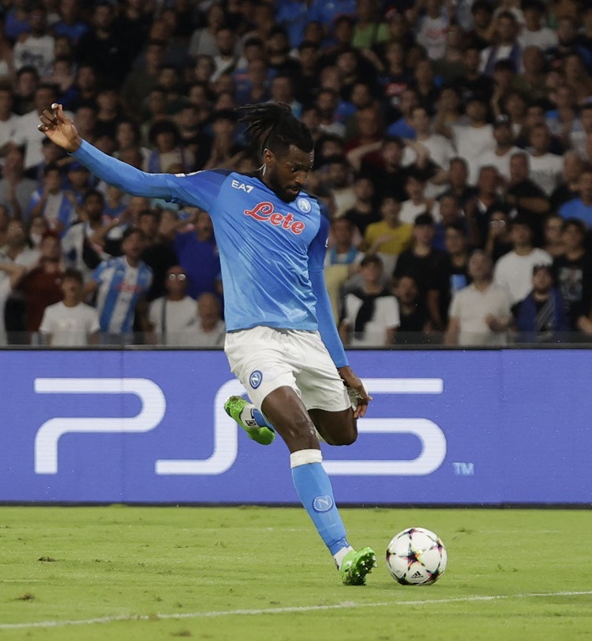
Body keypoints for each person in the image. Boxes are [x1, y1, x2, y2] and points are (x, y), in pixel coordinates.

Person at [39, 100, 376, 585]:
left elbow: (318, 291)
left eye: (309, 168)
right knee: (301, 436)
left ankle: (251, 411)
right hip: (253, 339)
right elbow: (144, 183)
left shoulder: (314, 215)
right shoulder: (224, 188)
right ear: (268, 157)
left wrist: (342, 366)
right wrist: (79, 148)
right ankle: (344, 554)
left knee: (343, 434)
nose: (302, 177)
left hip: (307, 339)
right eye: (295, 167)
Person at [38, 268, 100, 346]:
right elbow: (46, 340)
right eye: (68, 281)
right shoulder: (50, 311)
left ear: (81, 286)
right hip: (58, 357)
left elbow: (94, 343)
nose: (72, 285)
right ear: (62, 286)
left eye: (75, 281)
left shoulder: (91, 312)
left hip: (81, 357)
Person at [147, 266, 199, 346]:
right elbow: (150, 331)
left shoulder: (195, 306)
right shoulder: (156, 305)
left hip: (185, 351)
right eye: (172, 276)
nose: (177, 280)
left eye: (181, 276)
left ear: (187, 282)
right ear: (166, 282)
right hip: (161, 352)